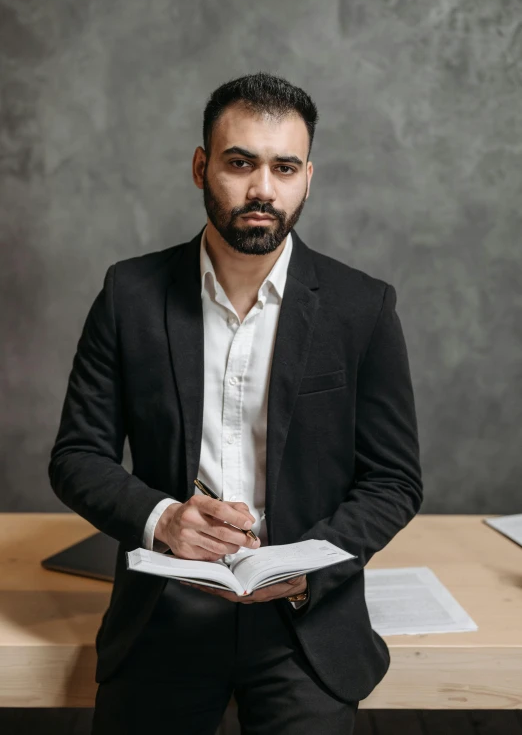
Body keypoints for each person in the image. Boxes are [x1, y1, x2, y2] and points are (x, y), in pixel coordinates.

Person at [48, 71, 423, 734]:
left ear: (309, 177)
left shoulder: (363, 307)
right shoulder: (129, 294)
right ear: (201, 167)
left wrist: (308, 564)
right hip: (164, 612)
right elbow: (78, 456)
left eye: (283, 167)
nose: (261, 189)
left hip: (304, 620)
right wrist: (164, 519)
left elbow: (393, 481)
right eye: (240, 163)